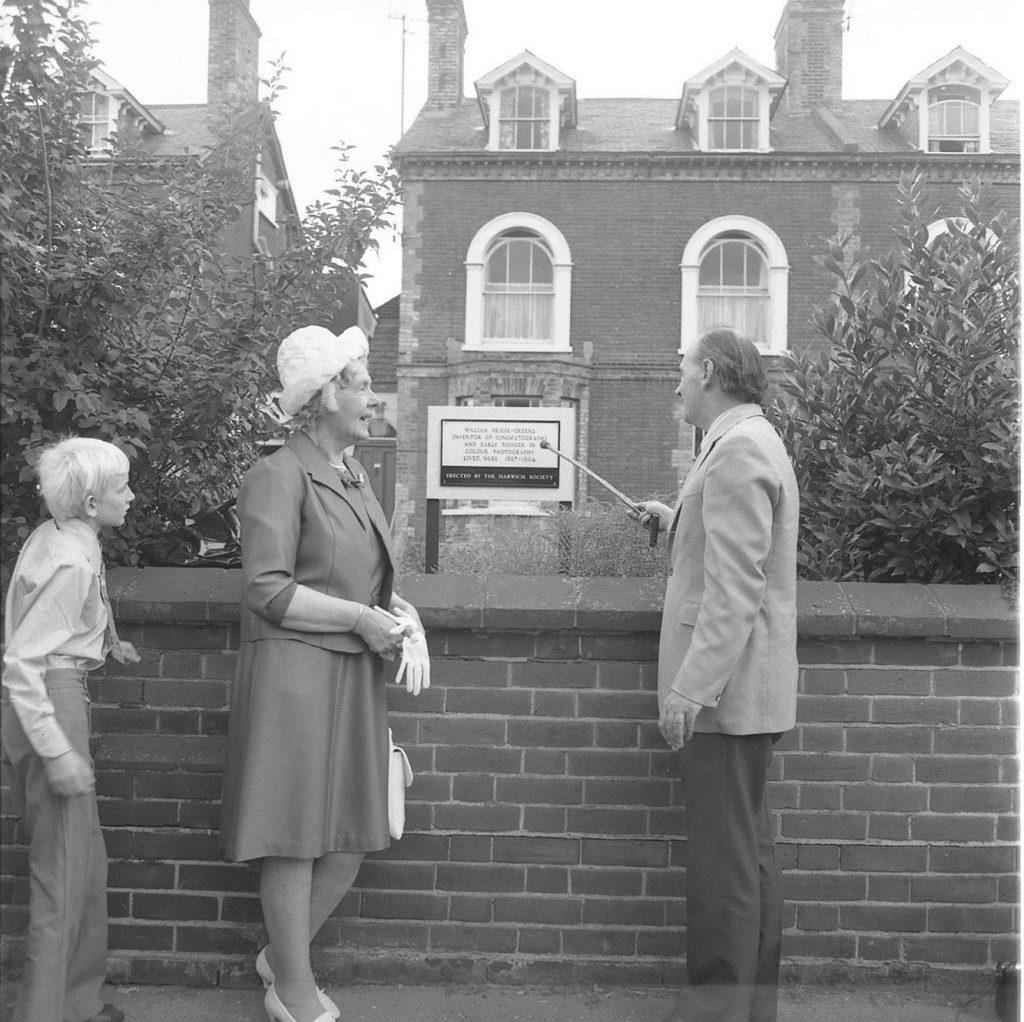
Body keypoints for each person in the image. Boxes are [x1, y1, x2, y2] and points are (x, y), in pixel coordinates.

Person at [220, 325, 428, 1022]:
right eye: (363, 385)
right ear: (324, 395)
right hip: (295, 678)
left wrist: (396, 610)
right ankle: (293, 990)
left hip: (352, 673)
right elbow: (268, 591)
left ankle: (282, 959)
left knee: (358, 832)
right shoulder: (276, 475)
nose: (374, 399)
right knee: (295, 837)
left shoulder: (353, 474)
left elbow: (357, 575)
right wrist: (362, 619)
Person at [634, 328, 799, 1022]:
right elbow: (729, 552)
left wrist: (688, 690)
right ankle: (750, 1008)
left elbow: (735, 592)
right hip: (747, 694)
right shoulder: (747, 444)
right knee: (747, 861)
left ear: (708, 371)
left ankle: (712, 1012)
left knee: (723, 872)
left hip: (725, 697)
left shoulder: (736, 453)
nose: (676, 385)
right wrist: (676, 522)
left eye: (682, 372)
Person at [1, 437, 140, 1022]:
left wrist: (107, 641)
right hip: (51, 704)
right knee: (62, 874)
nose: (130, 497)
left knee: (87, 863)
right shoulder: (71, 559)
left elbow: (61, 619)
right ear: (89, 502)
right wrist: (56, 751)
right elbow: (22, 661)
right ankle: (43, 1013)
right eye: (120, 488)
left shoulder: (62, 537)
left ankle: (76, 1003)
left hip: (58, 692)